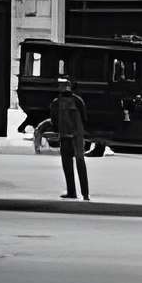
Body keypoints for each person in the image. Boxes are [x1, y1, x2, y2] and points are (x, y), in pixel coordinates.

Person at [53, 73, 91, 201]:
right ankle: (81, 193)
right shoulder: (77, 101)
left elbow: (54, 121)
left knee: (70, 164)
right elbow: (84, 118)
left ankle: (75, 192)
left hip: (68, 136)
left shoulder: (57, 102)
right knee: (76, 164)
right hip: (74, 136)